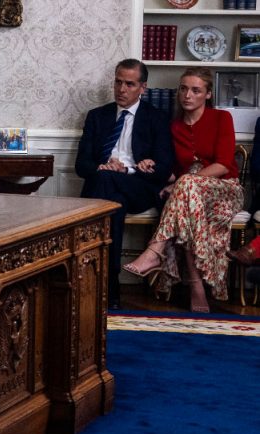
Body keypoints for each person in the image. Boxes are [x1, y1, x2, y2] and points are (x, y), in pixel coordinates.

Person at [123, 67, 242, 313]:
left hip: (225, 191)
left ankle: (155, 250)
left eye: (196, 90)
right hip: (191, 196)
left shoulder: (221, 118)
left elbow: (222, 166)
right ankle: (197, 288)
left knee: (187, 187)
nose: (187, 95)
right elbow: (175, 169)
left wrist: (182, 182)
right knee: (188, 207)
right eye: (184, 89)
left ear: (207, 94)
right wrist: (152, 164)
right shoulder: (174, 127)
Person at [75, 58, 175, 310]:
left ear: (143, 88)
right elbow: (81, 165)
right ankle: (111, 289)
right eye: (118, 82)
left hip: (139, 187)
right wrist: (103, 166)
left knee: (105, 182)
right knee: (114, 204)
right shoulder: (97, 116)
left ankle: (95, 285)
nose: (121, 89)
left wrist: (132, 168)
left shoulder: (157, 117)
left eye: (129, 84)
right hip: (108, 187)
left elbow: (164, 169)